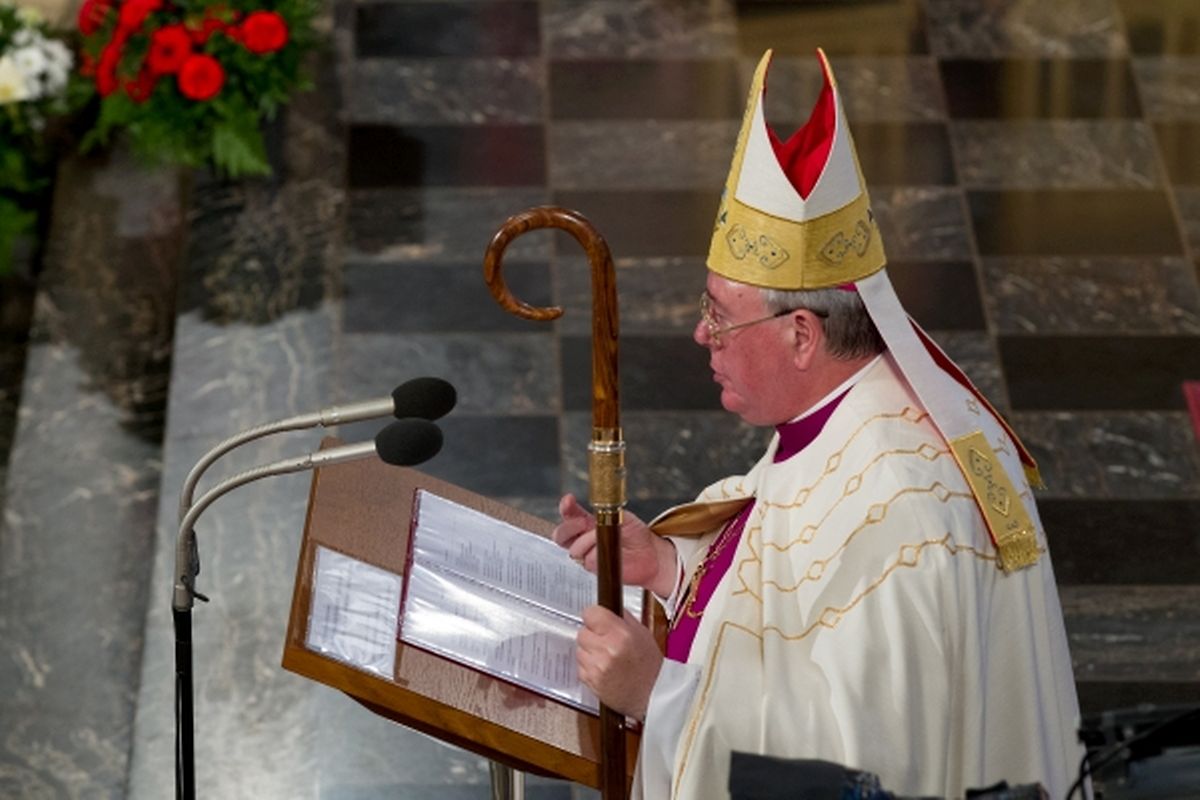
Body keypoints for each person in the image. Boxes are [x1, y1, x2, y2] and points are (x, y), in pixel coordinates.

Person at [553, 49, 1085, 799]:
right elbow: (789, 570)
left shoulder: (902, 515)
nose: (701, 336)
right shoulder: (857, 404)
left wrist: (657, 696)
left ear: (802, 334)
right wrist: (671, 570)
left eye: (719, 315)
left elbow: (857, 769)